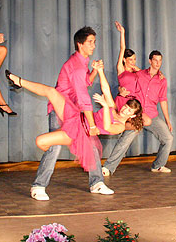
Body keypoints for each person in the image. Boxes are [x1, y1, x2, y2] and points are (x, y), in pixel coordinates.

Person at [13, 27, 109, 200]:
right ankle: (38, 186)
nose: (94, 45)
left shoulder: (80, 62)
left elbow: (85, 82)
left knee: (91, 143)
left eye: (94, 42)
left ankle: (97, 182)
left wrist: (94, 70)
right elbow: (83, 98)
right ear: (80, 44)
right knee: (55, 147)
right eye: (90, 42)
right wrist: (92, 125)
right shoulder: (76, 66)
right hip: (61, 110)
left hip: (73, 111)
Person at [6, 62, 143, 167]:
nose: (125, 110)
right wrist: (100, 71)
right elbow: (106, 90)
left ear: (132, 116)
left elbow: (107, 126)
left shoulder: (120, 126)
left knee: (40, 141)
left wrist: (106, 106)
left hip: (80, 133)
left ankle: (58, 143)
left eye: (129, 111)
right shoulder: (114, 108)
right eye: (126, 106)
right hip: (77, 117)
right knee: (52, 92)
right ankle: (19, 81)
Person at [102, 50, 173, 176]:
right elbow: (124, 79)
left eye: (160, 60)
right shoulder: (139, 73)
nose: (158, 63)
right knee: (125, 140)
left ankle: (158, 166)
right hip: (137, 114)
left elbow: (163, 100)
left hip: (151, 114)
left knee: (168, 138)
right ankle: (108, 167)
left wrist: (167, 120)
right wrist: (120, 89)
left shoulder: (162, 80)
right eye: (155, 60)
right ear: (150, 61)